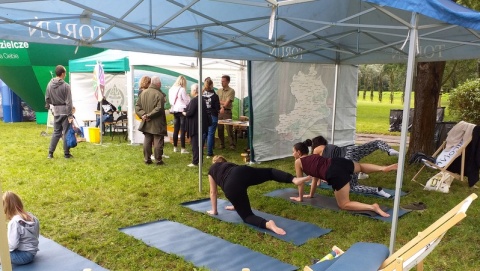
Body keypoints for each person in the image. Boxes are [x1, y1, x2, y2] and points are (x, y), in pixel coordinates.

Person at [207, 155, 312, 235]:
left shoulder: (212, 170)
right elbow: (238, 179)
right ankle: (294, 179)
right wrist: (236, 205)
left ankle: (268, 224)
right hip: (241, 171)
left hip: (230, 185)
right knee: (270, 172)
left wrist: (214, 211)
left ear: (214, 162)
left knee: (247, 216)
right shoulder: (228, 164)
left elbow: (213, 192)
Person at [291, 141, 398, 217]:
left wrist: (300, 198)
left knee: (344, 204)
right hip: (337, 161)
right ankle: (382, 168)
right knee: (360, 167)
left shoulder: (298, 162)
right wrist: (310, 195)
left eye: (293, 152)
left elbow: (300, 183)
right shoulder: (314, 156)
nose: (293, 154)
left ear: (299, 153)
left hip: (333, 173)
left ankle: (372, 207)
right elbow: (315, 178)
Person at [311, 136, 399, 197]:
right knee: (376, 143)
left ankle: (377, 190)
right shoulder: (328, 146)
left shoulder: (316, 150)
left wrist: (317, 183)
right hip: (351, 150)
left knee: (352, 187)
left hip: (346, 161)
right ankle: (389, 150)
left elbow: (317, 167)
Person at [135, 76, 167, 165]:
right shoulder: (159, 94)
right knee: (158, 141)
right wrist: (149, 115)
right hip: (157, 122)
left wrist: (144, 115)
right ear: (158, 84)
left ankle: (147, 159)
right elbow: (159, 108)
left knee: (147, 139)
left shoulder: (143, 93)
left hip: (146, 121)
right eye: (160, 83)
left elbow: (137, 107)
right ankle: (158, 160)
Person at [3, 191, 40, 265]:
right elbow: (36, 234)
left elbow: (12, 245)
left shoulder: (14, 222)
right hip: (32, 253)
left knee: (2, 253)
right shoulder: (32, 217)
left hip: (22, 256)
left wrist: (4, 249)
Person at [45, 65, 73, 159]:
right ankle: (66, 153)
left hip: (56, 111)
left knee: (56, 132)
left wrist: (50, 107)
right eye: (65, 73)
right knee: (65, 132)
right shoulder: (66, 86)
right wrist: (70, 115)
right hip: (65, 111)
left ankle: (50, 153)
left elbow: (47, 98)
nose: (65, 75)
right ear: (62, 74)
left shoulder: (49, 84)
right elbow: (69, 102)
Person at [184, 84, 209, 167]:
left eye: (191, 90)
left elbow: (190, 112)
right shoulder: (202, 99)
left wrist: (185, 113)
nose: (191, 92)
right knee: (200, 144)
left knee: (195, 144)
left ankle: (195, 161)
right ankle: (200, 160)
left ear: (195, 91)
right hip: (201, 125)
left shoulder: (195, 100)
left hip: (195, 126)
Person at [168, 75, 190, 154]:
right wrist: (188, 97)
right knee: (182, 130)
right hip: (182, 110)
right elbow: (187, 101)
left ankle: (175, 147)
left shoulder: (171, 89)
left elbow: (171, 101)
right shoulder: (182, 89)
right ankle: (183, 148)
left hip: (174, 110)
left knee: (176, 129)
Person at [202, 77, 220, 158]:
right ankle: (209, 153)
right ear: (212, 85)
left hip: (203, 115)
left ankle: (200, 151)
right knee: (210, 134)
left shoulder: (201, 94)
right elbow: (217, 108)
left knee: (203, 133)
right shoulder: (215, 96)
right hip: (213, 115)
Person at [217, 75, 236, 150]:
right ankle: (222, 144)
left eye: (223, 81)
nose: (222, 82)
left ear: (228, 81)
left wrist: (223, 105)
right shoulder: (219, 91)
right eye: (221, 81)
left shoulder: (231, 91)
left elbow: (228, 102)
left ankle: (232, 144)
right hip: (219, 111)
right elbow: (216, 101)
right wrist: (222, 103)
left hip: (227, 112)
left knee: (229, 129)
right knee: (220, 128)